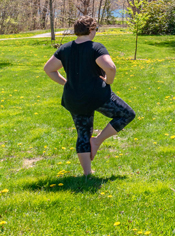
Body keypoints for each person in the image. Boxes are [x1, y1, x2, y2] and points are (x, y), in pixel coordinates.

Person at [43, 16, 136, 176]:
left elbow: (48, 69)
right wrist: (108, 81)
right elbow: (111, 67)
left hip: (74, 98)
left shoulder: (65, 49)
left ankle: (87, 173)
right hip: (97, 96)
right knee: (127, 114)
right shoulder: (96, 47)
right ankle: (97, 141)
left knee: (83, 132)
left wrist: (66, 83)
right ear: (91, 29)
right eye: (96, 29)